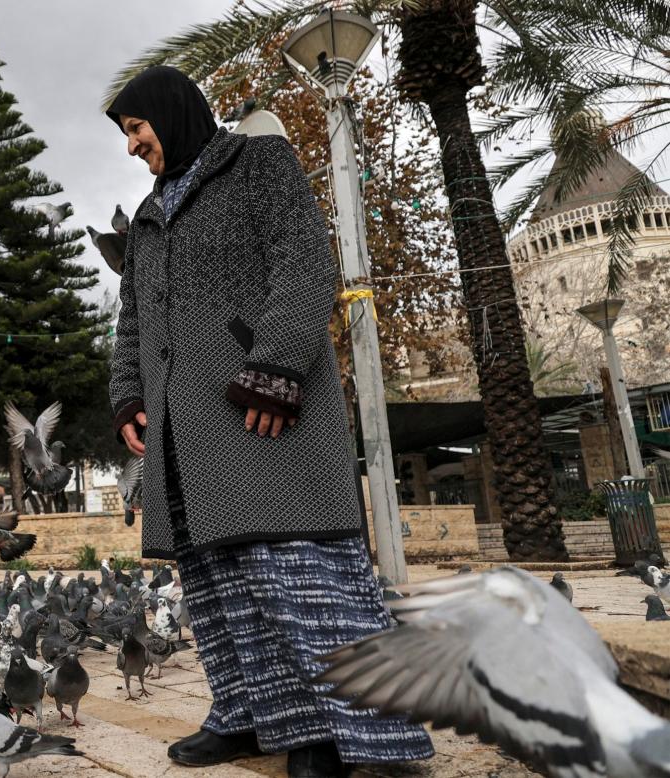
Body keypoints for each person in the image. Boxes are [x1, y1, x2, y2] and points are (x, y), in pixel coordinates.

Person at [105, 66, 433, 777]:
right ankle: (249, 714)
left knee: (300, 579)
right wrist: (127, 396)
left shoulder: (258, 162)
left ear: (170, 112)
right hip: (182, 427)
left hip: (260, 411)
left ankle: (347, 736)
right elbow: (132, 320)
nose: (132, 145)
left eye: (136, 128)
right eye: (126, 134)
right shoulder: (150, 214)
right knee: (219, 583)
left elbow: (305, 264)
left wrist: (276, 366)